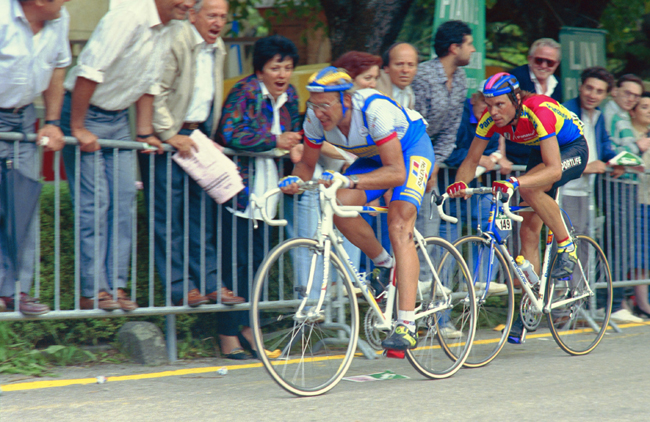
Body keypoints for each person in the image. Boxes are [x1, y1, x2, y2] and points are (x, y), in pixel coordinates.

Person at [279, 67, 435, 351]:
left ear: (346, 101)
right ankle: (386, 266)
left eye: (324, 104)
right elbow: (305, 167)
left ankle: (408, 325)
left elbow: (397, 173)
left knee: (399, 224)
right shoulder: (314, 118)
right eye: (313, 104)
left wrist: (351, 179)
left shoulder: (374, 111)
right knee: (338, 204)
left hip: (410, 150)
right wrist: (293, 181)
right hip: (374, 158)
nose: (318, 112)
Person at [60, 0, 194, 311]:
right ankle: (92, 290)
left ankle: (116, 286)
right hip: (85, 110)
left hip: (119, 118)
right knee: (95, 204)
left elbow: (148, 83)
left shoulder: (169, 27)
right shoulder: (128, 16)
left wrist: (145, 132)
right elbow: (89, 70)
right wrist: (78, 127)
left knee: (123, 201)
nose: (189, 4)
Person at [447, 73, 588, 343]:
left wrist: (516, 181)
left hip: (571, 148)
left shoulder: (538, 110)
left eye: (499, 104)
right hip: (542, 149)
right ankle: (528, 310)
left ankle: (566, 246)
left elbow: (554, 169)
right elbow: (471, 159)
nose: (493, 112)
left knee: (527, 188)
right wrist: (458, 186)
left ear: (516, 99)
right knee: (527, 232)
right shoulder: (491, 119)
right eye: (488, 105)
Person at [139, 0, 244, 308]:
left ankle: (211, 283)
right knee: (167, 218)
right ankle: (180, 287)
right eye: (212, 15)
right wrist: (170, 134)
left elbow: (208, 94)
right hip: (166, 138)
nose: (218, 22)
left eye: (223, 17)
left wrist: (207, 136)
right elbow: (155, 89)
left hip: (197, 138)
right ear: (194, 15)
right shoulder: (176, 37)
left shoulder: (218, 46)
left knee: (201, 218)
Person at [217, 35, 302, 359]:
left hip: (270, 195)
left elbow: (292, 134)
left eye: (287, 67)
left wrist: (293, 146)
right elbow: (230, 132)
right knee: (235, 267)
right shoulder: (246, 91)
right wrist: (274, 139)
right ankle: (227, 336)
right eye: (274, 67)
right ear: (260, 70)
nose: (282, 74)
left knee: (258, 266)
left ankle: (250, 329)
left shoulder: (290, 94)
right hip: (240, 193)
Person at [0, 0, 71, 315]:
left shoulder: (60, 19)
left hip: (24, 116)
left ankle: (16, 292)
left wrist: (53, 122)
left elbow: (58, 68)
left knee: (24, 202)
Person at [560, 67, 638, 324]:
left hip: (586, 190)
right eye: (589, 88)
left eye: (599, 91)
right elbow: (557, 152)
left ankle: (577, 304)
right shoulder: (565, 110)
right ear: (580, 87)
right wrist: (585, 165)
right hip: (565, 188)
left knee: (583, 245)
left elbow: (603, 146)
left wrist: (613, 160)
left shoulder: (599, 115)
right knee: (564, 246)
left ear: (606, 95)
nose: (592, 94)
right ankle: (560, 307)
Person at [411, 19, 475, 286]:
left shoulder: (460, 79)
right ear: (453, 47)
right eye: (469, 44)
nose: (472, 50)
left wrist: (435, 162)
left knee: (429, 227)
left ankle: (425, 292)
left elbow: (450, 129)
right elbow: (416, 123)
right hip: (410, 151)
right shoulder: (424, 76)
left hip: (431, 160)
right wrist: (427, 162)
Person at [629, 92, 650, 319]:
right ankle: (641, 303)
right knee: (641, 255)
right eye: (644, 106)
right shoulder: (631, 134)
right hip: (638, 200)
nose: (649, 110)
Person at [510, 38, 563, 102]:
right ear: (530, 59)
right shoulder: (514, 79)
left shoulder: (560, 85)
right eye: (539, 60)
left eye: (550, 62)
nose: (543, 66)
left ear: (557, 64)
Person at [603, 74, 645, 154]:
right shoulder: (610, 116)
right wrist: (637, 146)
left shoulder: (623, 114)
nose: (631, 99)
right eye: (627, 93)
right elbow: (608, 153)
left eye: (636, 96)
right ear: (615, 91)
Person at [376, 42, 419, 109]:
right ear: (386, 68)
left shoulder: (409, 93)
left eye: (411, 65)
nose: (405, 70)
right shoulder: (374, 86)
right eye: (399, 64)